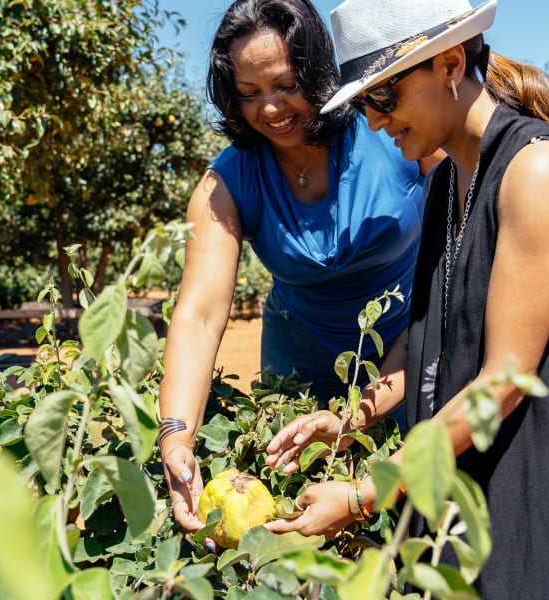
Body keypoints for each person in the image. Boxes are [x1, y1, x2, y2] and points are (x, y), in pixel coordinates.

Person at [263, 0, 549, 596]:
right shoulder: (444, 184)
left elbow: (504, 381)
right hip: (482, 498)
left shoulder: (538, 171)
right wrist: (352, 418)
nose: (376, 121)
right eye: (364, 104)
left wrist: (363, 494)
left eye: (384, 96)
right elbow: (429, 330)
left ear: (450, 63)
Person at [158, 0, 440, 536]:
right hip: (300, 359)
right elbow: (198, 315)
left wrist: (368, 407)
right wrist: (177, 436)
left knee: (406, 513)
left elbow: (458, 256)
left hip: (410, 343)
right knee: (303, 513)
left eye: (286, 84)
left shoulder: (393, 132)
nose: (270, 109)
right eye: (249, 94)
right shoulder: (227, 183)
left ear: (317, 72)